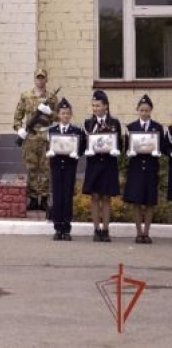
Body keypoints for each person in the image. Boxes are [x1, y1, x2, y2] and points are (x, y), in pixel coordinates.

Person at [13, 68, 58, 211]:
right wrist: (19, 130)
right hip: (30, 137)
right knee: (31, 168)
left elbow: (59, 117)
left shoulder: (51, 97)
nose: (40, 80)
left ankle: (44, 199)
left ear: (46, 79)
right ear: (34, 79)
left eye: (42, 77)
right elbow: (17, 117)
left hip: (45, 137)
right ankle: (32, 199)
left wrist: (50, 112)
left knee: (45, 168)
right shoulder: (26, 96)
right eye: (38, 77)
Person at [82, 90, 121, 242]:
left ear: (105, 106)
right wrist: (87, 150)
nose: (95, 109)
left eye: (98, 105)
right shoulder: (88, 123)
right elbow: (83, 143)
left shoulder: (114, 123)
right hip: (93, 164)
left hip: (109, 164)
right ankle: (96, 230)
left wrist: (116, 149)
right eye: (93, 106)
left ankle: (105, 230)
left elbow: (120, 144)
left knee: (106, 197)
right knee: (94, 197)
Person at [123, 94, 163, 244]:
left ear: (151, 110)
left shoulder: (157, 127)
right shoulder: (131, 127)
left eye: (147, 110)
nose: (144, 113)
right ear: (137, 110)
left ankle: (147, 232)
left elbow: (163, 146)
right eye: (142, 110)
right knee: (137, 201)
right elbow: (125, 147)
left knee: (150, 201)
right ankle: (138, 232)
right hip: (136, 168)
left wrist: (158, 151)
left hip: (151, 168)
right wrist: (129, 151)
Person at [45, 98, 85, 241]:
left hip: (69, 167)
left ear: (71, 115)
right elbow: (47, 147)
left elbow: (82, 147)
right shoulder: (52, 131)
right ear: (58, 115)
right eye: (63, 113)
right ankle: (57, 228)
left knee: (67, 196)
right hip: (56, 167)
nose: (65, 116)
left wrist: (77, 153)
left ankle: (66, 228)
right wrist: (49, 151)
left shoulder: (76, 131)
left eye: (68, 113)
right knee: (57, 196)